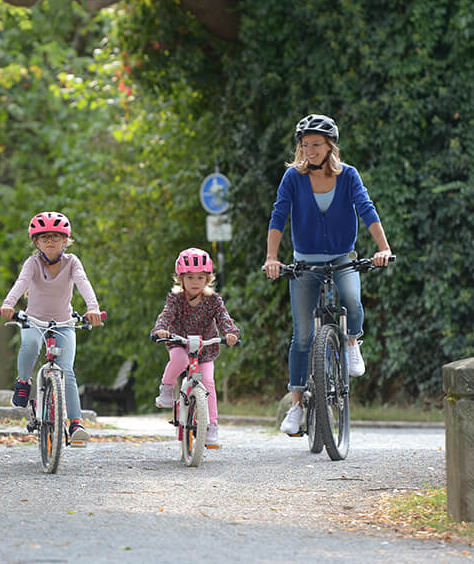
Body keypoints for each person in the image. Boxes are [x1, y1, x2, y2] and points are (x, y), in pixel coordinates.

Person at [262, 114, 393, 436]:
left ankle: (351, 342)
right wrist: (272, 258)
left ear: (330, 146)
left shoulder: (348, 176)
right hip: (304, 262)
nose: (309, 151)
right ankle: (296, 406)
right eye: (304, 145)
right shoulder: (292, 178)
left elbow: (366, 209)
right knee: (303, 335)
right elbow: (279, 215)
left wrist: (383, 248)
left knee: (351, 297)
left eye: (316, 145)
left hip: (341, 255)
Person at [0, 211, 103, 446]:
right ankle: (24, 382)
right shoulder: (33, 262)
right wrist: (8, 304)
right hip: (34, 320)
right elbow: (21, 282)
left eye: (56, 236)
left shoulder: (72, 262)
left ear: (65, 240)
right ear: (36, 242)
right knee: (30, 344)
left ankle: (75, 423)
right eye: (44, 237)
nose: (50, 241)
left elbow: (83, 283)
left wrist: (93, 308)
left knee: (67, 370)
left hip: (64, 323)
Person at [151, 248, 241, 450]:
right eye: (190, 277)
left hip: (205, 346)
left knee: (208, 381)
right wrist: (161, 329)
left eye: (200, 277)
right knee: (180, 360)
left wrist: (230, 333)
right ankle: (166, 388)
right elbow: (166, 315)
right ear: (180, 278)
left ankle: (212, 426)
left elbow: (224, 318)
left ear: (208, 279)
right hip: (179, 341)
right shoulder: (175, 299)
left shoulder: (213, 300)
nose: (195, 282)